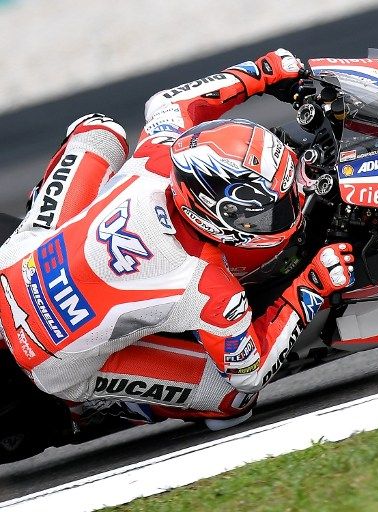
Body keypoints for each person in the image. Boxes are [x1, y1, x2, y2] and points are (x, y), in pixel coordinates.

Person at [0, 49, 353, 460]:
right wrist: (312, 285)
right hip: (50, 361)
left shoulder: (159, 155)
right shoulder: (201, 282)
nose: (291, 206)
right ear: (216, 218)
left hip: (12, 268)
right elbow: (251, 371)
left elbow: (170, 102)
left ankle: (43, 212)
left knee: (98, 131)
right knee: (230, 403)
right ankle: (98, 406)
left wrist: (263, 73)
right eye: (266, 212)